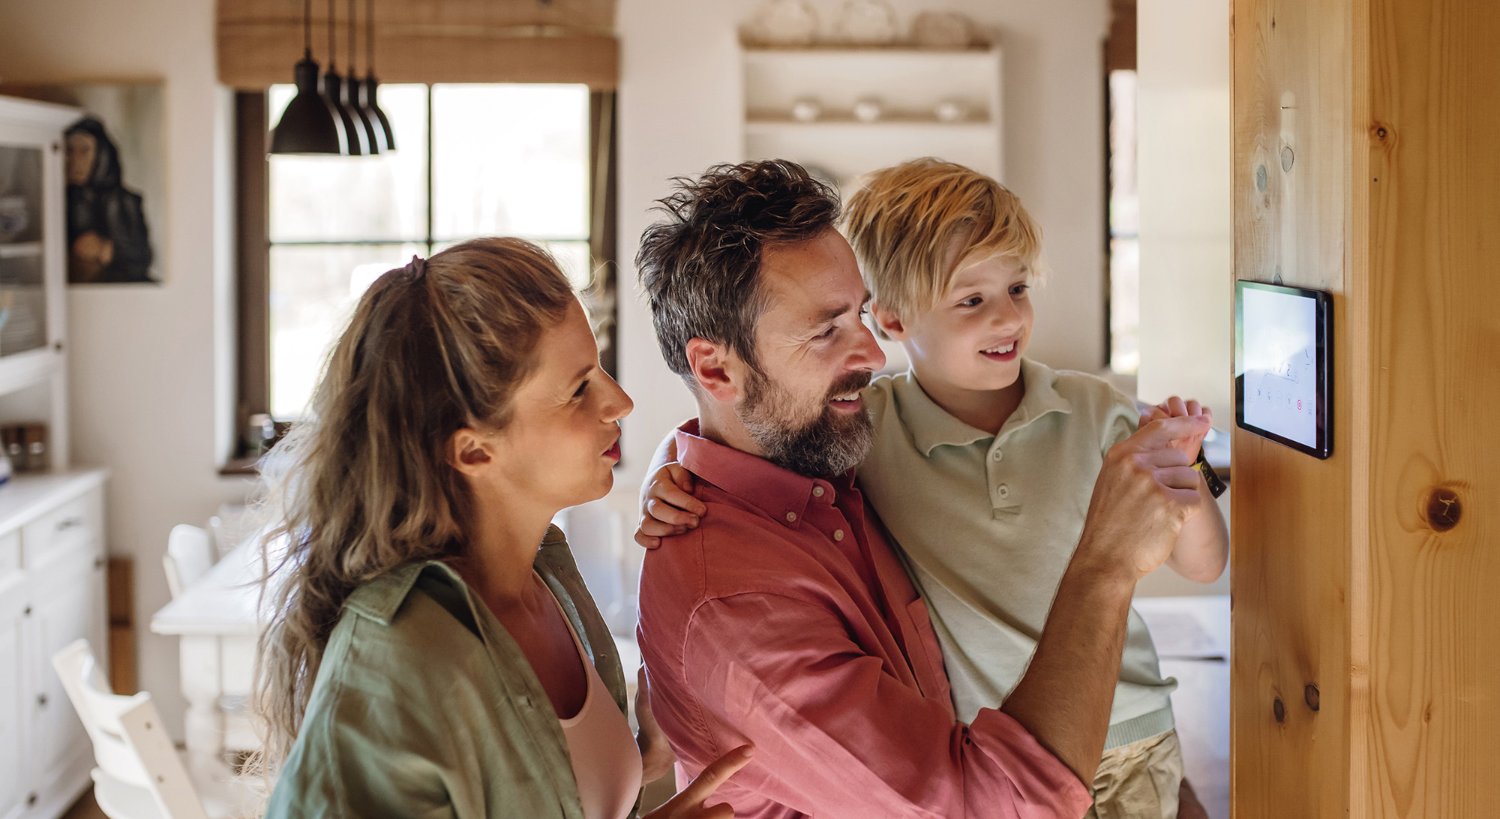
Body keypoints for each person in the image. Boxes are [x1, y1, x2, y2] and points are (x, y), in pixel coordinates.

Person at [632, 160, 1213, 818]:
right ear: (715, 366)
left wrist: (673, 459)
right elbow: (990, 804)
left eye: (858, 318)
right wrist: (1105, 563)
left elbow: (725, 436)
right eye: (827, 330)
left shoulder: (824, 453)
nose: (875, 356)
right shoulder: (737, 601)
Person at [253, 238, 748, 818]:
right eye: (578, 389)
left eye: (601, 369)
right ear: (472, 451)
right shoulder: (393, 662)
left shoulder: (550, 581)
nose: (620, 401)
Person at [64, 117, 153, 283]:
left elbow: (141, 257)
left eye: (84, 151)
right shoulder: (63, 199)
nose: (75, 160)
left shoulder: (122, 200)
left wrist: (106, 249)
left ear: (101, 155)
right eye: (69, 150)